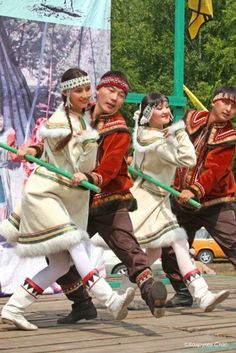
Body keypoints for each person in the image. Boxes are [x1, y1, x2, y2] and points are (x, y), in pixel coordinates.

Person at [0, 68, 135, 331]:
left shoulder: (81, 119)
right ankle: (111, 300)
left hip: (61, 195)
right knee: (73, 241)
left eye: (87, 89)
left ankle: (14, 308)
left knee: (61, 265)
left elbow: (53, 149)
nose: (85, 95)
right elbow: (54, 151)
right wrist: (40, 152)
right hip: (45, 192)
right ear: (66, 93)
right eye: (78, 91)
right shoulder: (62, 118)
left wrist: (83, 173)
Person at [54, 71, 168, 323]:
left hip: (109, 198)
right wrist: (34, 148)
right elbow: (55, 140)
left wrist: (90, 178)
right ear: (99, 89)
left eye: (122, 95)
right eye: (111, 90)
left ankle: (151, 293)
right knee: (56, 251)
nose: (115, 98)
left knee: (127, 248)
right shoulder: (78, 116)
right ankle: (82, 304)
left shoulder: (120, 130)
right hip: (76, 201)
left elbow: (111, 167)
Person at [109, 92, 230, 313]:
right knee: (179, 241)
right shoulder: (155, 140)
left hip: (156, 198)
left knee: (152, 253)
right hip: (150, 200)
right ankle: (201, 293)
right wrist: (179, 130)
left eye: (166, 106)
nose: (166, 111)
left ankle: (121, 295)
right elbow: (189, 159)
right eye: (159, 108)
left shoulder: (145, 134)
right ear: (148, 115)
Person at [161, 86, 236, 308]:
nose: (229, 109)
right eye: (226, 103)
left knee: (233, 243)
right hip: (181, 201)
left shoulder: (229, 136)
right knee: (169, 247)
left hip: (215, 202)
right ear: (214, 101)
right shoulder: (191, 118)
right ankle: (183, 292)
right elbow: (170, 145)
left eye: (233, 106)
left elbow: (214, 171)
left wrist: (193, 190)